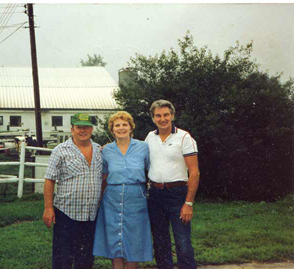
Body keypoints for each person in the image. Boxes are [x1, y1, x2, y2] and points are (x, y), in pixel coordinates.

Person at [93, 111, 153, 269]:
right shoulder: (106, 150)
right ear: (112, 130)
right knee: (114, 238)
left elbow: (151, 170)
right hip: (111, 198)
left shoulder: (143, 147)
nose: (121, 128)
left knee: (134, 238)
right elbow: (104, 175)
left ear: (131, 127)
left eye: (124, 124)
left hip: (136, 198)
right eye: (117, 125)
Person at [43, 112, 103, 269]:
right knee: (62, 258)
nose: (83, 131)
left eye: (86, 127)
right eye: (79, 127)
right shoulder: (60, 150)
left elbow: (104, 179)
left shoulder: (99, 151)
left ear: (91, 129)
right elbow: (49, 180)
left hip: (91, 215)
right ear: (72, 129)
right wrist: (48, 208)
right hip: (66, 213)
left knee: (86, 258)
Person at [145, 100, 200, 269]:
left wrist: (188, 203)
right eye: (158, 115)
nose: (162, 119)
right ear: (153, 118)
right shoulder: (149, 137)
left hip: (177, 195)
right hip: (154, 195)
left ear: (172, 116)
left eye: (166, 115)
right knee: (160, 242)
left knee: (182, 242)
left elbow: (194, 172)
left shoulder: (184, 137)